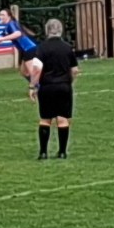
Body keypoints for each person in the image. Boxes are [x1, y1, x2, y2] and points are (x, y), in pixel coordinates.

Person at [30, 18, 80, 160]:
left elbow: (36, 69)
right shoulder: (67, 48)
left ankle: (43, 152)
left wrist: (33, 86)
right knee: (62, 119)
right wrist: (68, 81)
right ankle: (62, 152)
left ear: (47, 30)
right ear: (60, 30)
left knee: (45, 119)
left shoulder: (41, 48)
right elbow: (75, 70)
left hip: (47, 87)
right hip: (64, 86)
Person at [0, 9, 42, 86]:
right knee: (24, 72)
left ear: (9, 16)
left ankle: (40, 87)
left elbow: (18, 33)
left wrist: (2, 39)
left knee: (32, 73)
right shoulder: (7, 27)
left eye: (3, 15)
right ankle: (37, 85)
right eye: (0, 15)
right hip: (27, 50)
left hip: (29, 48)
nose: (0, 16)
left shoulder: (11, 24)